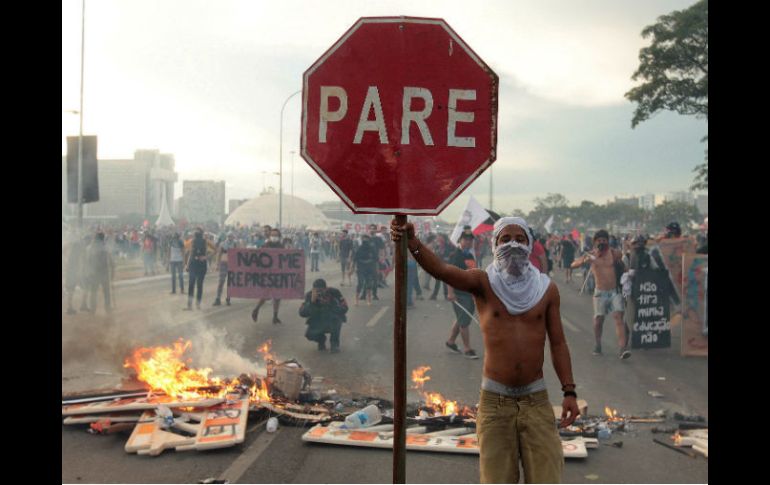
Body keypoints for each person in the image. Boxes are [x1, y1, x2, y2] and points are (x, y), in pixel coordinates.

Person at [391, 216, 578, 484]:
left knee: (547, 478)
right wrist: (413, 242)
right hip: (495, 402)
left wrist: (569, 391)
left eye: (520, 239)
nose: (513, 244)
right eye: (505, 239)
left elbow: (558, 343)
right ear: (494, 244)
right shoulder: (482, 282)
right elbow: (443, 270)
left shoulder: (547, 290)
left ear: (530, 244)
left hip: (535, 401)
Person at [571, 229, 630, 359]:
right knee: (599, 320)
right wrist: (584, 260)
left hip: (614, 291)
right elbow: (573, 264)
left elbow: (624, 260)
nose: (602, 243)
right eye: (600, 241)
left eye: (604, 240)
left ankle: (622, 348)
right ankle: (598, 344)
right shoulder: (591, 255)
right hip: (600, 292)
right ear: (595, 242)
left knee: (618, 318)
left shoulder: (614, 253)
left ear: (608, 241)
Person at [443, 232, 481, 358]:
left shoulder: (470, 255)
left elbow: (473, 273)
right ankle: (467, 348)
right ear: (460, 240)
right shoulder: (456, 255)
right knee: (464, 321)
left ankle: (451, 341)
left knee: (462, 318)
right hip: (459, 293)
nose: (469, 242)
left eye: (470, 240)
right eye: (466, 239)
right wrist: (450, 292)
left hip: (469, 292)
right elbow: (449, 275)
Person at [299, 278, 348, 353]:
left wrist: (330, 305)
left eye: (321, 291)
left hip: (331, 319)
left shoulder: (334, 292)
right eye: (316, 291)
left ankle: (334, 344)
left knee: (337, 320)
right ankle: (321, 340)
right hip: (317, 321)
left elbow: (345, 307)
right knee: (309, 334)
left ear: (326, 289)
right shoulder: (309, 295)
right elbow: (302, 313)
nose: (319, 293)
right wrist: (311, 303)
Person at [251, 228, 285, 324]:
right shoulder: (265, 246)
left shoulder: (281, 246)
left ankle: (275, 316)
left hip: (278, 273)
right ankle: (256, 309)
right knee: (266, 295)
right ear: (270, 236)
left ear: (279, 236)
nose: (274, 237)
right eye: (272, 235)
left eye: (276, 235)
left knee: (278, 296)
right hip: (268, 274)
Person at [87, 231, 115, 314]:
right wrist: (112, 272)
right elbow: (111, 261)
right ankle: (107, 308)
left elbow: (88, 261)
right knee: (106, 292)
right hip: (104, 273)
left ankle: (93, 309)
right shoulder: (105, 248)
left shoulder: (90, 248)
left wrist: (88, 273)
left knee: (93, 292)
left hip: (94, 273)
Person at [350, 234, 378, 305]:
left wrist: (376, 269)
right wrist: (352, 268)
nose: (365, 240)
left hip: (370, 269)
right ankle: (356, 301)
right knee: (360, 283)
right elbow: (354, 259)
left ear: (369, 240)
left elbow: (376, 259)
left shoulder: (372, 249)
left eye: (366, 239)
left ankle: (369, 300)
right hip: (361, 269)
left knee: (369, 284)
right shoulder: (359, 249)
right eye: (364, 239)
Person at [184, 228, 208, 311]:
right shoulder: (200, 241)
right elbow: (191, 252)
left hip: (196, 264)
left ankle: (193, 305)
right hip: (198, 264)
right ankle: (195, 304)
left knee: (193, 285)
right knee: (197, 285)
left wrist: (187, 265)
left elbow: (190, 253)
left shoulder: (195, 241)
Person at [213, 232, 237, 306]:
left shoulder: (235, 244)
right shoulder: (223, 244)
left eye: (231, 236)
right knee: (221, 281)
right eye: (229, 236)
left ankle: (228, 298)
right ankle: (218, 298)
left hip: (231, 264)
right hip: (223, 263)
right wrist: (217, 264)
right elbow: (219, 254)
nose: (230, 238)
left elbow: (237, 254)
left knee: (230, 283)